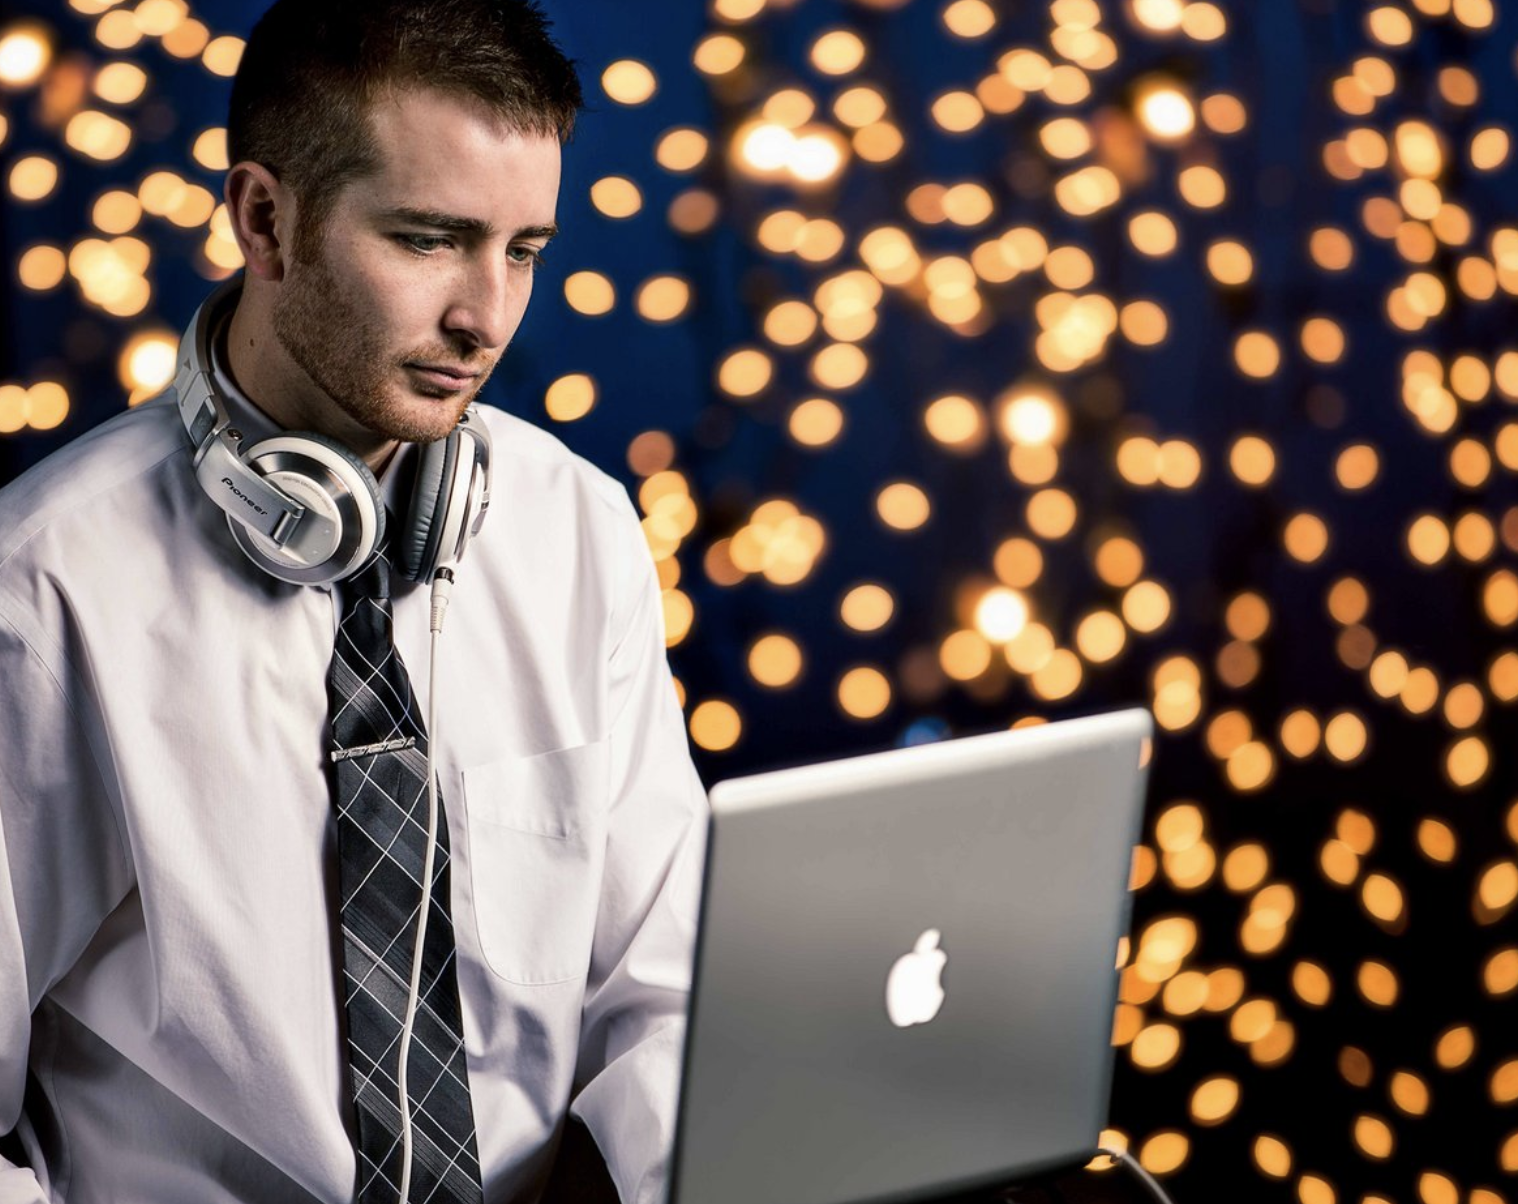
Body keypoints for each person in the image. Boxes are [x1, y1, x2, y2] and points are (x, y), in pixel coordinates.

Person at [0, 1, 708, 1202]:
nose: (487, 317)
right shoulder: (42, 586)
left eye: (524, 250)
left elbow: (664, 996)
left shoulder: (579, 528)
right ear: (265, 220)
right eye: (430, 240)